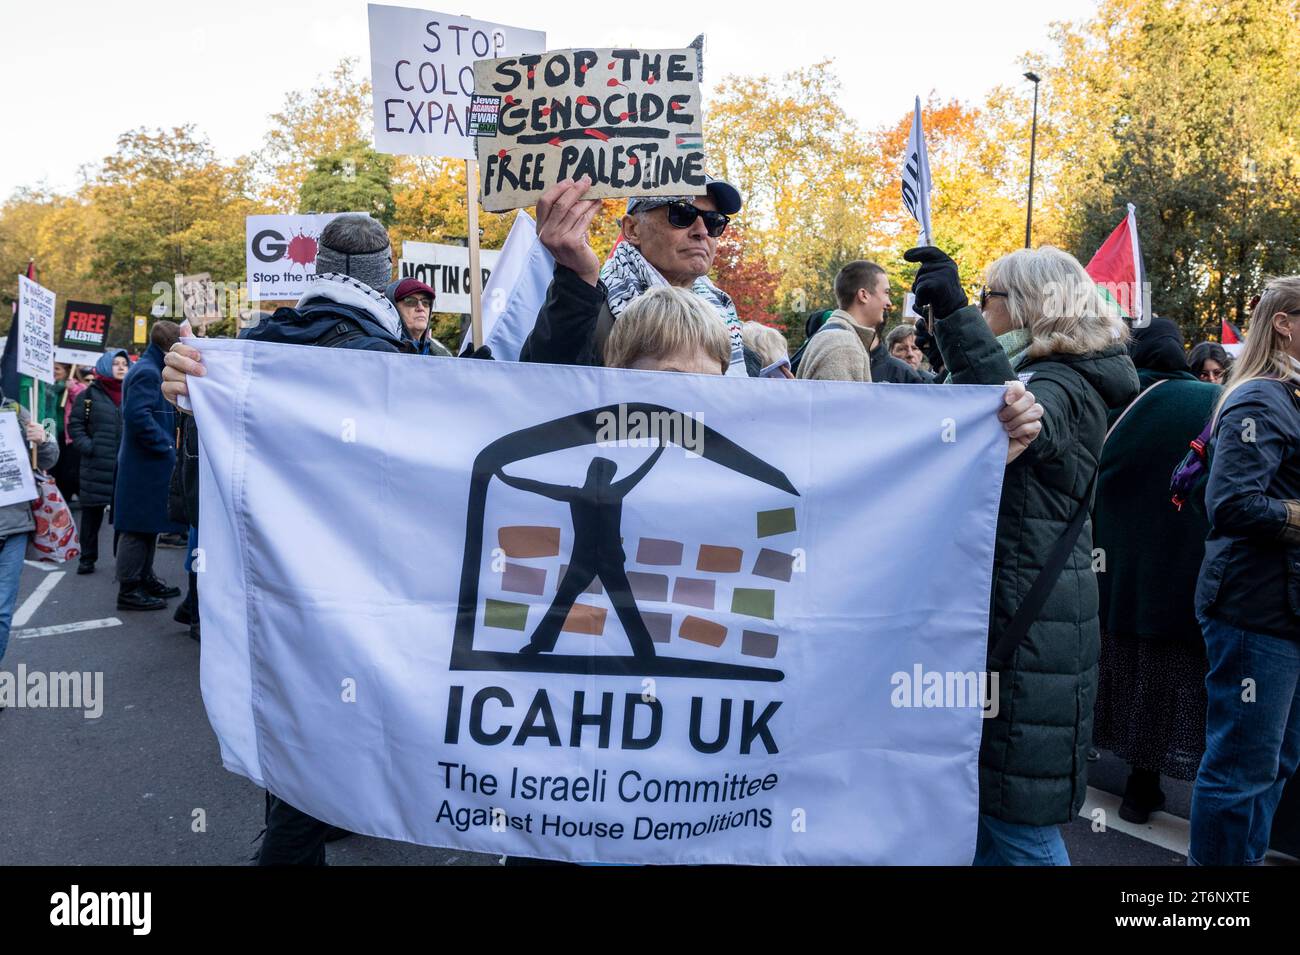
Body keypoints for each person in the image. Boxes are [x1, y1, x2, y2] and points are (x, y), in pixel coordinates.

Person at [161, 213, 436, 866]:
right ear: (382, 278)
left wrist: (190, 392)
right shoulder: (394, 365)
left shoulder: (257, 351)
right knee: (336, 749)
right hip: (364, 591)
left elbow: (207, 470)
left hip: (272, 586)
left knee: (295, 736)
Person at [909, 244, 1140, 865]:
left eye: (987, 299)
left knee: (1019, 825)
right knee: (986, 811)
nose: (983, 311)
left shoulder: (1062, 384)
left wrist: (954, 317)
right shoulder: (1067, 374)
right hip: (1029, 616)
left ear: (1027, 306)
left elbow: (1015, 414)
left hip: (1029, 626)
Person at [1188, 275, 1300, 866]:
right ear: (1284, 322)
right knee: (1242, 768)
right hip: (1254, 605)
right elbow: (1230, 502)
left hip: (1281, 605)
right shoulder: (1262, 397)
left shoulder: (1289, 395)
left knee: (1274, 762)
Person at [1092, 318, 1219, 823]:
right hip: (1182, 566)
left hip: (1111, 566)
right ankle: (1152, 788)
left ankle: (1125, 778)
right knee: (1168, 677)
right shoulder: (1211, 402)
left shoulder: (1110, 399)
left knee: (1118, 667)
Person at [519, 175, 758, 376]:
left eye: (714, 221)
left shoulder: (726, 318)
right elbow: (545, 389)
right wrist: (575, 282)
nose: (702, 231)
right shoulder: (586, 305)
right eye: (682, 214)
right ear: (632, 229)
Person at [115, 324, 185, 611]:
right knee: (137, 527)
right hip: (144, 464)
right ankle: (129, 588)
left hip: (147, 463)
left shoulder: (149, 367)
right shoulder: (147, 371)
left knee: (148, 526)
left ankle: (144, 577)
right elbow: (137, 416)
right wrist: (167, 446)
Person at [0, 391, 58, 682]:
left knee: (1, 612)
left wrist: (42, 439)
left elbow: (49, 458)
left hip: (11, 527)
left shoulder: (15, 408)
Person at [68, 349, 129, 575]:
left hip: (124, 465)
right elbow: (75, 425)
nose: (122, 367)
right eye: (116, 363)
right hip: (95, 465)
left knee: (122, 516)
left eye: (125, 363)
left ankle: (120, 559)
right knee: (91, 515)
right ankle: (87, 558)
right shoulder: (88, 396)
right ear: (104, 366)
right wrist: (88, 447)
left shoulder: (132, 392)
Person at [819, 261, 924, 384]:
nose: (889, 303)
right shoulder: (843, 344)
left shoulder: (834, 337)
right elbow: (839, 402)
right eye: (886, 292)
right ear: (863, 295)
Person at [384, 277, 452, 356]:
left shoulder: (442, 355)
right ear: (393, 307)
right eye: (410, 301)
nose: (421, 308)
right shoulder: (380, 350)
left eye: (426, 302)